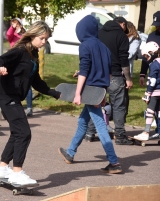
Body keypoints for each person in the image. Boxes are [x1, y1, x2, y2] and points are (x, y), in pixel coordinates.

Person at [0, 21, 61, 185]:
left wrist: (54, 93)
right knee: (24, 133)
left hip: (13, 96)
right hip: (6, 95)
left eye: (46, 39)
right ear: (33, 35)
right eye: (42, 38)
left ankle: (2, 168)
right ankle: (17, 172)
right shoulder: (20, 51)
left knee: (17, 132)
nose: (44, 42)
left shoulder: (33, 54)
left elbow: (35, 81)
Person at [58, 15, 122, 174]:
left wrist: (77, 93)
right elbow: (107, 73)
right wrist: (103, 94)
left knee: (100, 126)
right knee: (82, 121)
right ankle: (70, 152)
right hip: (99, 90)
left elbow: (85, 69)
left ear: (82, 30)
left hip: (90, 92)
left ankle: (114, 162)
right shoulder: (104, 47)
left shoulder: (85, 45)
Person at [86, 17, 133, 145]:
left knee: (95, 103)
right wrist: (128, 79)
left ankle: (90, 132)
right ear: (122, 24)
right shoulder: (121, 36)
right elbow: (124, 59)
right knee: (118, 106)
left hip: (98, 74)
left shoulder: (98, 33)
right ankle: (120, 136)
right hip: (116, 75)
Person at [6, 18, 33, 117]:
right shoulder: (12, 35)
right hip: (14, 61)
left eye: (16, 24)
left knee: (27, 84)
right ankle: (14, 104)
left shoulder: (25, 35)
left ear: (20, 25)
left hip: (24, 60)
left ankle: (29, 107)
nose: (14, 25)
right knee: (13, 82)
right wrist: (12, 28)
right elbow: (8, 35)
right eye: (13, 24)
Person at [139, 11, 160, 136]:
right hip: (154, 71)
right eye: (156, 24)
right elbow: (146, 56)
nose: (158, 27)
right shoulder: (152, 36)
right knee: (155, 105)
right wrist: (142, 73)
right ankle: (157, 130)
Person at [134, 42, 160, 140]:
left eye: (146, 56)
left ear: (151, 53)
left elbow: (152, 81)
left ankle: (146, 132)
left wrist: (147, 93)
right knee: (159, 112)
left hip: (154, 92)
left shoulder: (154, 65)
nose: (146, 58)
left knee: (150, 111)